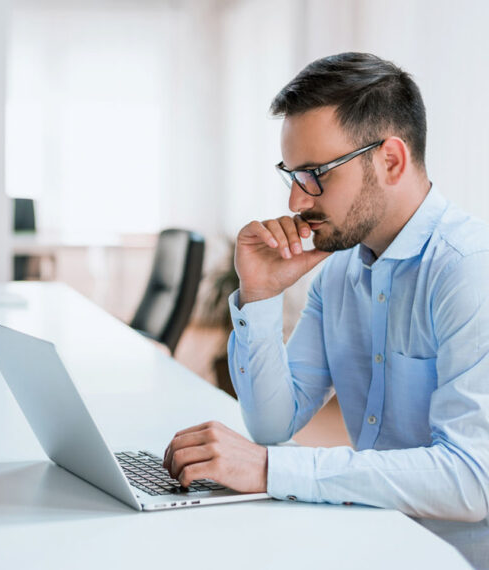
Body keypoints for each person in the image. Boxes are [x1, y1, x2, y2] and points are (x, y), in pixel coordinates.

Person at [162, 52, 489, 568]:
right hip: (371, 534)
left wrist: (272, 470)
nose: (296, 201)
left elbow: (473, 480)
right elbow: (273, 422)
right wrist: (260, 295)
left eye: (315, 173)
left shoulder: (470, 271)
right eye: (291, 174)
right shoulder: (340, 273)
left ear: (391, 161)